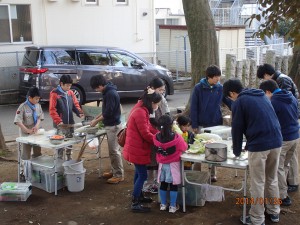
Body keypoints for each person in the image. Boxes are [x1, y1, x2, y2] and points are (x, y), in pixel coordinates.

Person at [223, 78, 282, 225]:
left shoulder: (239, 102)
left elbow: (237, 129)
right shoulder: (261, 95)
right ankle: (274, 211)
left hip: (260, 145)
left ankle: (257, 218)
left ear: (232, 93)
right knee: (272, 178)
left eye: (229, 97)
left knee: (258, 182)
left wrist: (236, 151)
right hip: (276, 141)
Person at [257, 63, 299, 192]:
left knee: (280, 165)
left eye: (263, 78)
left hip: (286, 131)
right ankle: (290, 182)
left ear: (266, 75)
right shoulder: (286, 95)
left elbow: (275, 110)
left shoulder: (282, 82)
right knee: (287, 161)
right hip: (294, 129)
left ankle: (284, 192)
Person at [123, 89, 162, 213]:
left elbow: (148, 127)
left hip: (136, 147)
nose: (157, 106)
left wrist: (159, 134)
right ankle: (135, 202)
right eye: (156, 103)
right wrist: (158, 140)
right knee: (143, 175)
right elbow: (145, 133)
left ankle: (138, 196)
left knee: (138, 174)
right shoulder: (140, 112)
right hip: (137, 148)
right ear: (151, 102)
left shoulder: (142, 109)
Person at [190, 65, 231, 182]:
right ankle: (196, 172)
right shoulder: (199, 88)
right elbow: (194, 107)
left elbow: (228, 101)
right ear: (209, 77)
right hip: (201, 123)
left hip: (216, 123)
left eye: (219, 76)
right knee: (198, 146)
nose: (218, 79)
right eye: (216, 77)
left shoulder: (220, 88)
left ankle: (213, 173)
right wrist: (194, 125)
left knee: (214, 149)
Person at [90, 75, 124, 184]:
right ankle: (115, 171)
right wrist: (96, 117)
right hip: (112, 124)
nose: (96, 90)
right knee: (113, 151)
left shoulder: (110, 93)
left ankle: (119, 175)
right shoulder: (108, 91)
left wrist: (96, 121)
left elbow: (108, 112)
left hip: (113, 125)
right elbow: (106, 109)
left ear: (100, 85)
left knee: (114, 151)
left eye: (96, 88)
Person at [154, 115, 188, 213]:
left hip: (162, 165)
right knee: (173, 185)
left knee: (163, 184)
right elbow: (184, 147)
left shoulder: (156, 137)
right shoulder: (177, 137)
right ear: (171, 126)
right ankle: (172, 206)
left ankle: (163, 205)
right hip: (173, 165)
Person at [143, 77, 170, 194]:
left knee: (157, 158)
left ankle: (155, 181)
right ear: (152, 88)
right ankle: (149, 183)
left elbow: (166, 110)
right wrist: (160, 126)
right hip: (151, 133)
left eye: (163, 90)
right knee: (151, 159)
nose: (162, 92)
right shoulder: (147, 99)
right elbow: (150, 119)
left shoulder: (161, 98)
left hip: (159, 132)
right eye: (160, 90)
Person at [49, 75, 84, 160]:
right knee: (60, 142)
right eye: (67, 85)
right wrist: (58, 121)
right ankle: (59, 158)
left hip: (70, 122)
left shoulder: (70, 93)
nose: (69, 87)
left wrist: (80, 113)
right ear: (61, 84)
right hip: (60, 123)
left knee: (70, 140)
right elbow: (52, 110)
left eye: (70, 85)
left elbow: (75, 105)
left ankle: (69, 157)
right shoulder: (55, 93)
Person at [14, 87, 44, 180]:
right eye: (36, 98)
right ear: (30, 97)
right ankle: (23, 173)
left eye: (38, 98)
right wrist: (27, 130)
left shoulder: (38, 105)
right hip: (26, 134)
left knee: (37, 152)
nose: (37, 100)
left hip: (35, 133)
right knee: (25, 154)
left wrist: (37, 126)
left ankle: (36, 171)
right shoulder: (23, 106)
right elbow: (18, 121)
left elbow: (40, 117)